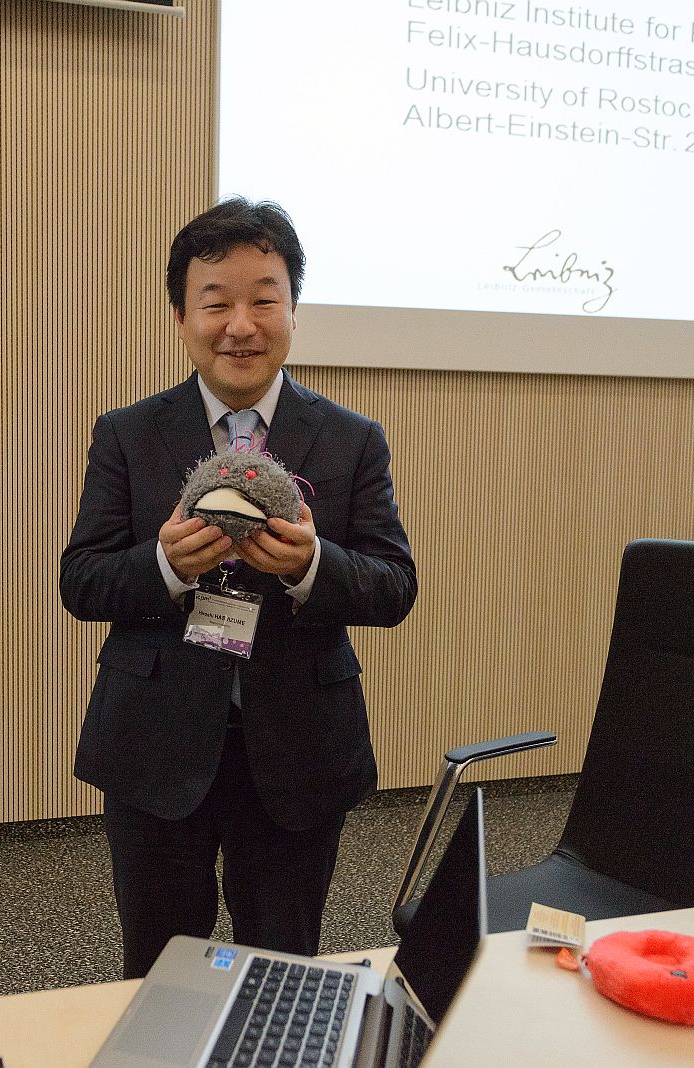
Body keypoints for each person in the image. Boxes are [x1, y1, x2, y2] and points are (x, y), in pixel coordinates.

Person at [59, 197, 417, 979]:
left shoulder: (352, 439)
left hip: (297, 747)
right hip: (156, 743)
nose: (241, 325)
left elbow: (394, 586)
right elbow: (81, 580)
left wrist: (310, 565)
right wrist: (166, 565)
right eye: (216, 302)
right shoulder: (128, 433)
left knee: (284, 966)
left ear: (293, 310)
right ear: (181, 317)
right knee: (159, 969)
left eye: (264, 299)